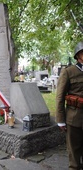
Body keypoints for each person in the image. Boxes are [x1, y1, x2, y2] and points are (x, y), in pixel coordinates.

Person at [56, 41, 83, 170]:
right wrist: (60, 120)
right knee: (74, 150)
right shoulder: (69, 72)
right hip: (75, 117)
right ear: (78, 55)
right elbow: (60, 97)